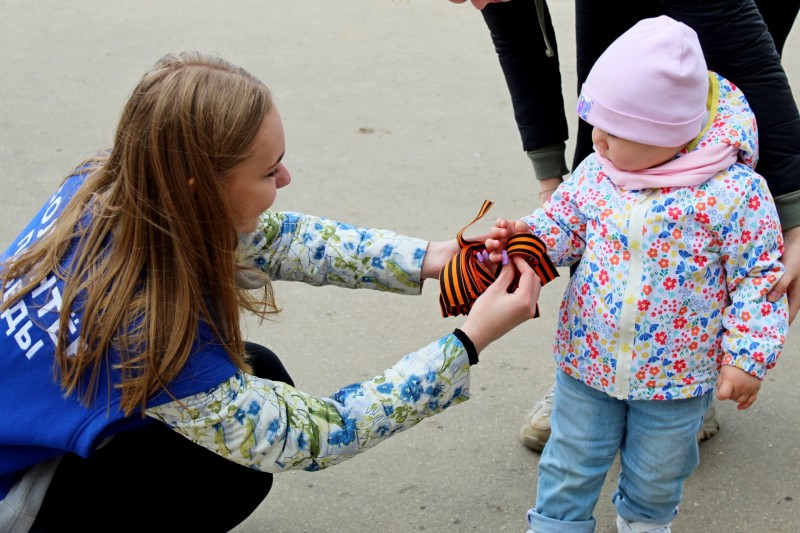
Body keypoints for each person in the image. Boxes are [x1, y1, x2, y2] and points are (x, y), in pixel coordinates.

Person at [0, 51, 544, 532]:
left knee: (258, 369)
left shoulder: (108, 183)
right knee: (234, 470)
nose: (285, 179)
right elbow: (319, 433)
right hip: (14, 493)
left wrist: (432, 257)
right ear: (199, 187)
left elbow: (281, 240)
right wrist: (470, 340)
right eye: (268, 170)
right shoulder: (158, 340)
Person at [450, 0, 800, 452]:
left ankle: (686, 384)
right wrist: (554, 189)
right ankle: (593, 382)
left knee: (684, 98)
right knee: (617, 98)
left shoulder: (739, 194)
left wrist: (793, 219)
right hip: (593, 353)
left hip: (725, 12)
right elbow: (521, 35)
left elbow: (749, 58)